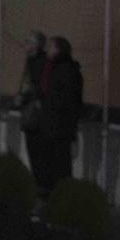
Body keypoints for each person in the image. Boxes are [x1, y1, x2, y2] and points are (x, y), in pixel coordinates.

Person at [26, 36, 83, 193]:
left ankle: (62, 197)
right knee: (48, 164)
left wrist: (51, 106)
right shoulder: (51, 67)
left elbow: (69, 100)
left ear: (59, 49)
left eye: (51, 47)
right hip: (49, 124)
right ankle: (50, 194)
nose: (48, 50)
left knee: (61, 166)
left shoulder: (67, 69)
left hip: (60, 126)